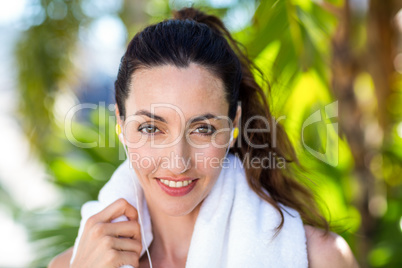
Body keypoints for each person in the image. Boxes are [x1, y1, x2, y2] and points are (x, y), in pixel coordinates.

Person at [49, 7, 359, 268]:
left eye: (203, 129)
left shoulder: (319, 257)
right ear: (120, 124)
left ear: (233, 125)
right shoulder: (73, 264)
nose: (178, 162)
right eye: (151, 128)